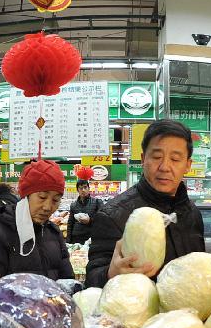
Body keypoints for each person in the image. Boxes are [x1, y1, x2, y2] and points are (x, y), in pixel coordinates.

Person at [85, 120, 204, 288]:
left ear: (187, 165)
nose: (164, 167)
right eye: (156, 157)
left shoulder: (192, 213)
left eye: (175, 159)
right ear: (143, 159)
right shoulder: (112, 215)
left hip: (188, 313)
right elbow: (92, 281)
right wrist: (110, 273)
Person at [0, 159, 73, 298]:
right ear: (26, 196)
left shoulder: (53, 233)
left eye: (55, 200)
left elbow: (68, 281)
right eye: (42, 197)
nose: (48, 207)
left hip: (51, 317)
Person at [67, 179, 101, 245]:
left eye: (85, 187)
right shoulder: (73, 205)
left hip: (91, 238)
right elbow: (70, 223)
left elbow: (102, 219)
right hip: (76, 238)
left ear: (89, 188)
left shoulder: (97, 202)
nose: (83, 190)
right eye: (80, 188)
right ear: (77, 190)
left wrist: (90, 220)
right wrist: (68, 241)